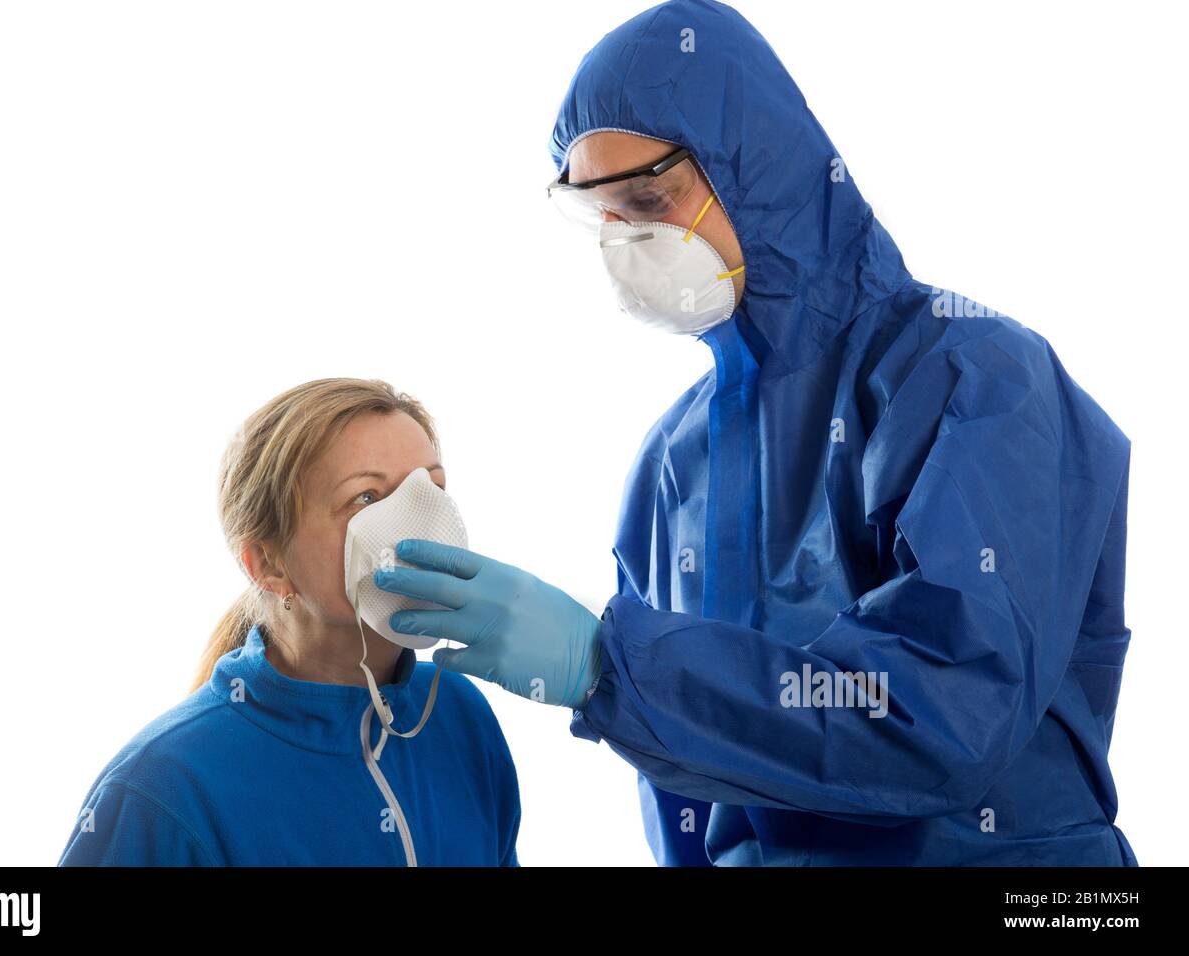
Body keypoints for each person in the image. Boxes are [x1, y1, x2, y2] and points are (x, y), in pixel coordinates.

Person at [372, 0, 1137, 866]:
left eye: (650, 198)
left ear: (757, 167)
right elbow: (691, 790)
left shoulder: (977, 381)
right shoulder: (672, 466)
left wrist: (609, 665)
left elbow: (945, 722)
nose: (628, 243)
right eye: (603, 218)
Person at [58, 378, 521, 866]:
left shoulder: (456, 714)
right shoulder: (163, 788)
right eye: (366, 497)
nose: (421, 519)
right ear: (268, 564)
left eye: (431, 486)